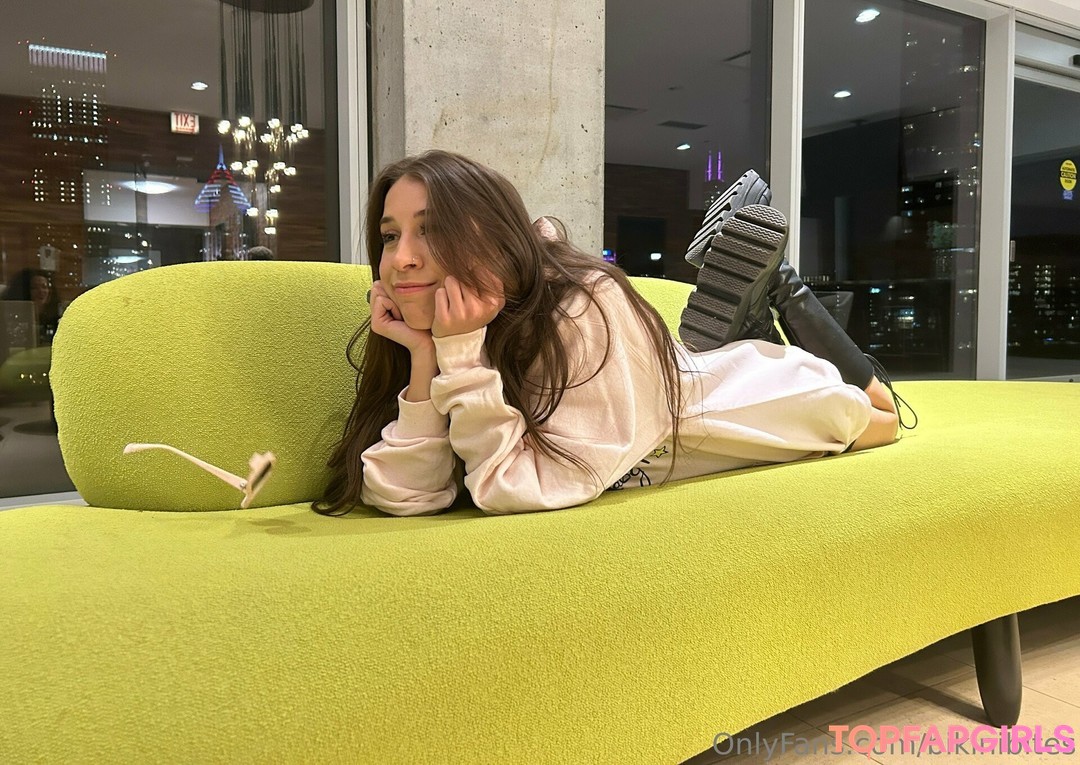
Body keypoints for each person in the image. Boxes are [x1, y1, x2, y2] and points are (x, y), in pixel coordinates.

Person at [313, 150, 900, 518]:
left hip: (744, 402)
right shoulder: (446, 332)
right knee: (723, 359)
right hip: (661, 391)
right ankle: (751, 318)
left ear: (494, 239)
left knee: (883, 415)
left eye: (431, 230)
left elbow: (514, 487)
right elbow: (402, 493)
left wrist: (461, 359)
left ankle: (782, 289)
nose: (402, 259)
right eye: (390, 236)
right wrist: (425, 359)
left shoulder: (582, 306)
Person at [1, 268, 61, 348]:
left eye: (44, 287)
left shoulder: (55, 318)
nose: (41, 291)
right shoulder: (12, 320)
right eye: (34, 288)